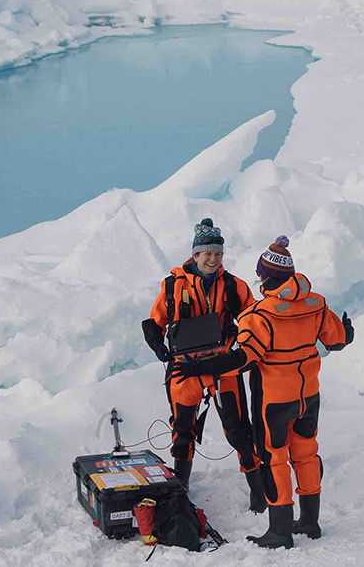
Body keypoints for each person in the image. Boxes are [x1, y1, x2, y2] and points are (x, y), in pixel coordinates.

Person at [168, 235, 355, 549]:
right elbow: (337, 340)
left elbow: (242, 360)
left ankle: (280, 531)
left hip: (274, 400)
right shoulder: (316, 302)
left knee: (275, 460)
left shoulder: (261, 315)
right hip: (308, 395)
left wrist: (197, 369)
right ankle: (310, 522)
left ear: (266, 277)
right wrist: (348, 331)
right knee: (307, 454)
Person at [142, 218, 267, 513]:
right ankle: (181, 488)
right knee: (183, 431)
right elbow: (154, 321)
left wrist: (247, 348)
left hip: (223, 366)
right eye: (207, 253)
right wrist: (158, 346)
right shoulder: (172, 285)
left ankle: (258, 490)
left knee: (238, 430)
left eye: (218, 254)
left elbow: (252, 319)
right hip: (185, 369)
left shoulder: (234, 286)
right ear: (195, 255)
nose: (213, 259)